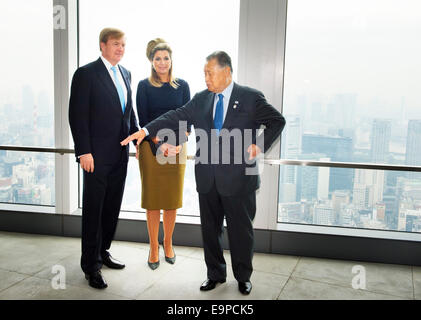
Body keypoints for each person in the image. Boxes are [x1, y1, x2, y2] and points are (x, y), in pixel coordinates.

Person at [121, 51, 286, 295]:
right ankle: (215, 275)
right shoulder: (202, 99)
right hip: (208, 179)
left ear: (227, 72)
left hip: (239, 180)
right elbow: (175, 115)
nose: (206, 77)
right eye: (204, 73)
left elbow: (277, 120)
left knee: (241, 232)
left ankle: (243, 277)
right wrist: (146, 131)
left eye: (210, 72)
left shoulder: (250, 97)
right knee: (210, 231)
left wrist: (259, 145)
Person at [69, 28, 139, 289]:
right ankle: (91, 266)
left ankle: (104, 252)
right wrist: (83, 151)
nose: (120, 49)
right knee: (94, 211)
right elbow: (77, 115)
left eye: (123, 44)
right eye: (115, 44)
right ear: (102, 45)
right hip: (95, 157)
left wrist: (137, 134)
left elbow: (128, 112)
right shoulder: (86, 74)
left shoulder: (126, 73)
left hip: (120, 154)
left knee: (111, 208)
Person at [136, 38, 191, 270]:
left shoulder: (183, 85)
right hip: (151, 147)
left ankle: (168, 243)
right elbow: (143, 120)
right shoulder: (143, 86)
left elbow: (189, 119)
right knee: (153, 201)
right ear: (151, 61)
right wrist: (159, 143)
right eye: (157, 58)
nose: (162, 62)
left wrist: (178, 143)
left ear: (171, 59)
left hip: (177, 147)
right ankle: (153, 247)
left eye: (165, 58)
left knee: (171, 200)